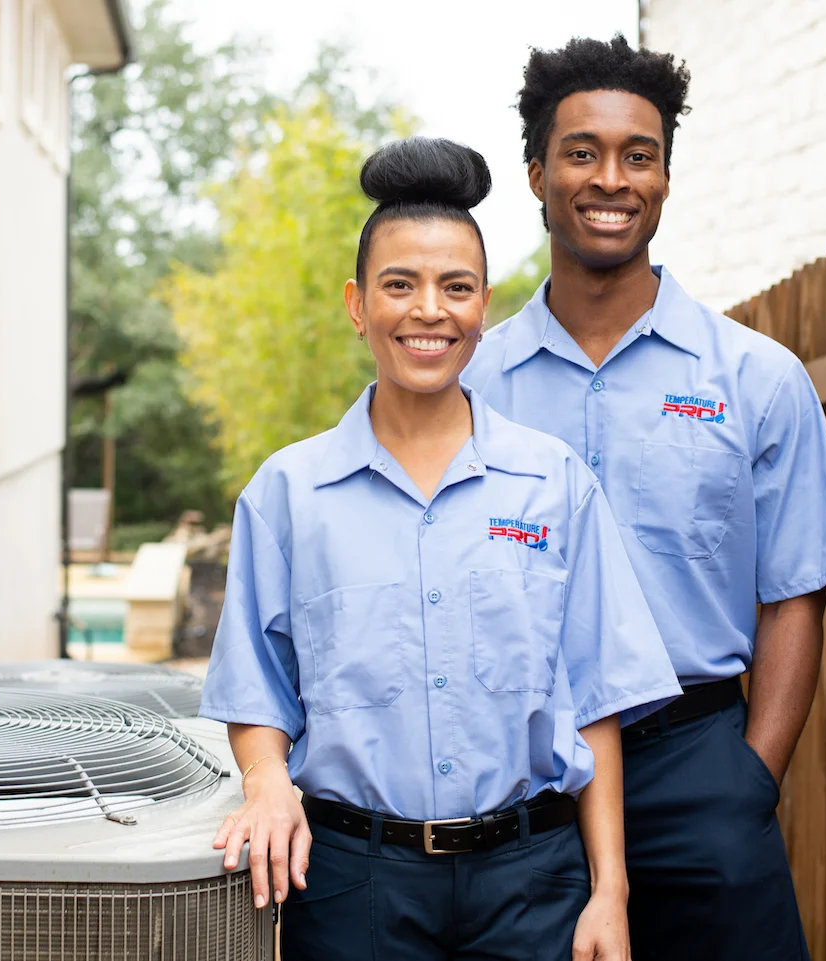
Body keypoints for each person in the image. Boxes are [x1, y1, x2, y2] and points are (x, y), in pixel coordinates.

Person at [199, 137, 680, 961]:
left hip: (532, 884)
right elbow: (256, 689)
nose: (430, 310)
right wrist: (266, 779)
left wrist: (610, 891)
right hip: (356, 887)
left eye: (456, 287)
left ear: (484, 305)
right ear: (357, 305)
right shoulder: (287, 494)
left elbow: (597, 700)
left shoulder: (553, 484)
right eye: (400, 284)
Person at [462, 36, 826, 961]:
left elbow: (796, 593)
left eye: (638, 155)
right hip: (519, 778)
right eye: (583, 152)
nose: (612, 178)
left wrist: (747, 781)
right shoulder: (469, 386)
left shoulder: (759, 378)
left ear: (666, 179)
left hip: (698, 764)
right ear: (536, 173)